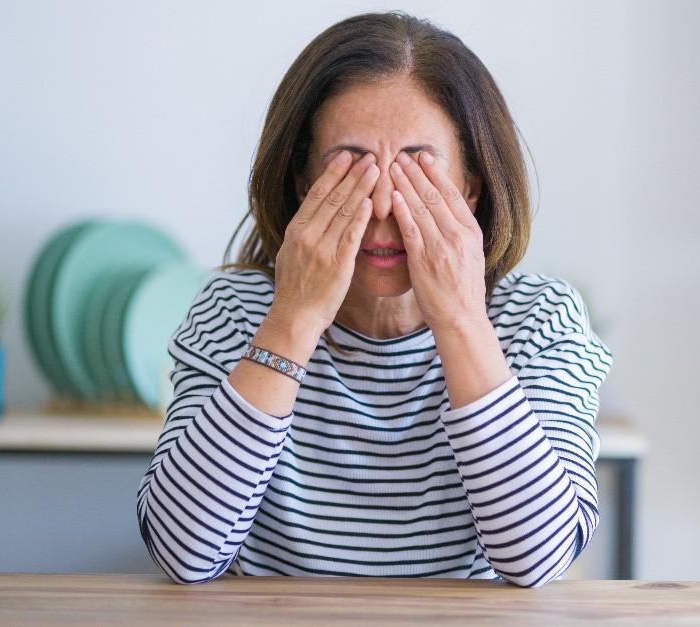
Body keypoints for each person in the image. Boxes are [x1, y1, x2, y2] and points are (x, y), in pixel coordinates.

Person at [136, 12, 611, 588]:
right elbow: (180, 553)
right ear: (301, 181)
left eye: (417, 169)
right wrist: (292, 320)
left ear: (471, 184)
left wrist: (461, 321)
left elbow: (540, 559)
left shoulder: (540, 320)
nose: (383, 205)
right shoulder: (233, 312)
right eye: (350, 166)